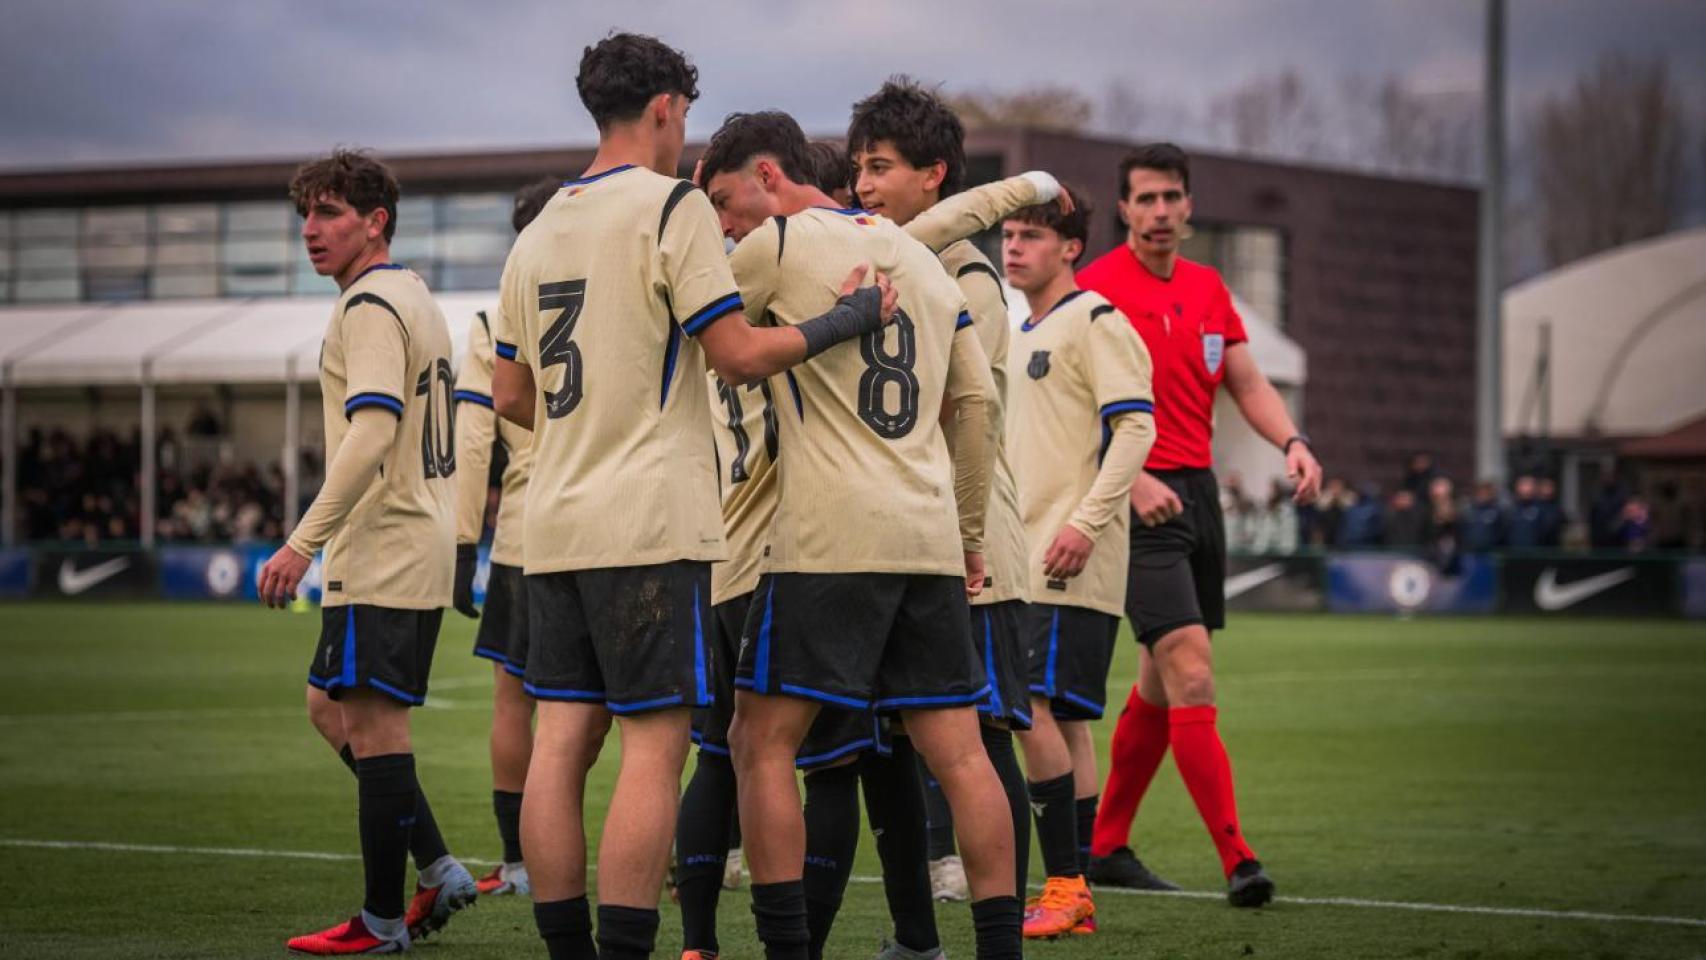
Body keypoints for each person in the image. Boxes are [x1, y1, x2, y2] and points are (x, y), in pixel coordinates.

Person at [489, 35, 893, 960]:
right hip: (648, 523)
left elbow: (510, 395)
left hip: (551, 523)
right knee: (652, 751)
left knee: (559, 748)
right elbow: (739, 356)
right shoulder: (671, 206)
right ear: (668, 107)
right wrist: (847, 319)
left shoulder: (542, 222)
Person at [675, 127, 1068, 960]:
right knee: (960, 755)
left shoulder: (774, 244)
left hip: (827, 539)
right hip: (925, 535)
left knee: (757, 741)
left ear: (768, 177)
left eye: (721, 203)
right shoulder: (921, 260)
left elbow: (700, 342)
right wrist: (967, 536)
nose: (724, 226)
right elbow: (975, 407)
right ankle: (999, 950)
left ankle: (786, 949)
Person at [1077, 142, 1322, 907]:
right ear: (1123, 209)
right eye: (1144, 199)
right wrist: (1134, 477)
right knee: (1190, 670)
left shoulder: (1211, 288)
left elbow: (1245, 383)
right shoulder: (1093, 290)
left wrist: (1294, 442)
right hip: (1130, 494)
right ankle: (1239, 859)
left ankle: (1105, 845)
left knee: (1158, 682)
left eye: (1170, 198)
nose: (1158, 212)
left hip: (1199, 496)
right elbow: (1070, 405)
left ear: (1188, 206)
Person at [257, 148, 474, 954]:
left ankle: (383, 922)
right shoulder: (411, 293)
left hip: (383, 547)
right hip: (410, 540)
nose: (311, 231)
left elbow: (373, 429)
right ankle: (439, 868)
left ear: (375, 221)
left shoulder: (371, 305)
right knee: (329, 707)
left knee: (379, 733)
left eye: (329, 213)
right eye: (305, 214)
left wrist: (298, 544)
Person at [1001, 192, 1156, 937]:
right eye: (1009, 234)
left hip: (1067, 559)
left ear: (1070, 248)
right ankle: (1075, 888)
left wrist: (1086, 525)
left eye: (1031, 235)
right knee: (1060, 718)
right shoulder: (1016, 327)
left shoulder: (1097, 322)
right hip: (1019, 555)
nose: (1014, 247)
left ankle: (1066, 883)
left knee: (1030, 707)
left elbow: (1135, 429)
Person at [450, 175, 561, 900]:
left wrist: (463, 544)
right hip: (630, 530)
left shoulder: (495, 324)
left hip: (528, 536)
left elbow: (471, 439)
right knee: (647, 717)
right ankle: (689, 857)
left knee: (513, 702)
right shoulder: (626, 304)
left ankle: (521, 864)